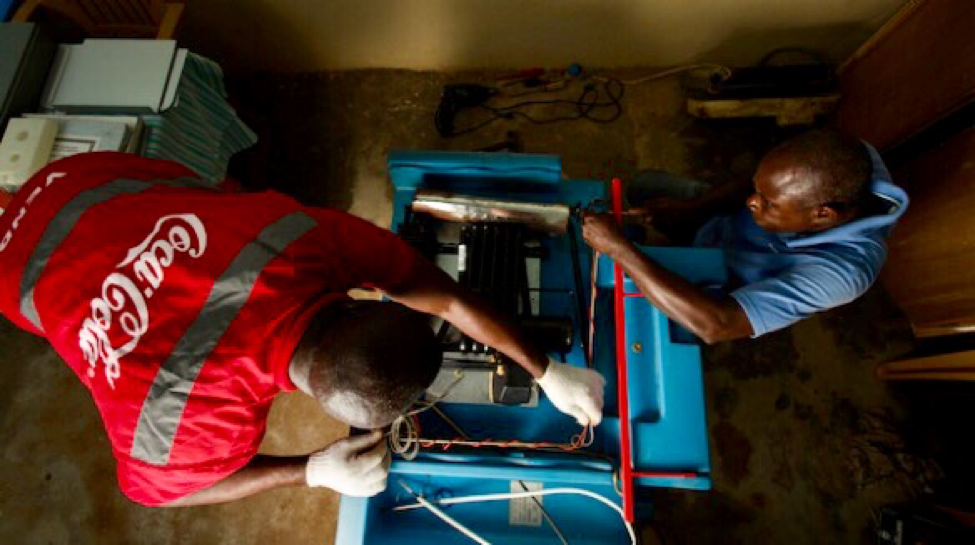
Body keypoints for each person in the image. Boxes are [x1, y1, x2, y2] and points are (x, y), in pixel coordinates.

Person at [0, 152, 605, 507]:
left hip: (83, 180)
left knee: (204, 196)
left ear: (362, 301)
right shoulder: (179, 419)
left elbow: (442, 297)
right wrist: (309, 469)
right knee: (54, 313)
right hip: (17, 267)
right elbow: (157, 492)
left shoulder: (302, 236)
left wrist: (546, 370)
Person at [582, 128, 909, 343]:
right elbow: (753, 186)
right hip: (722, 226)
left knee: (644, 325)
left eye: (769, 203)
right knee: (646, 186)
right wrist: (693, 208)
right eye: (757, 191)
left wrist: (620, 250)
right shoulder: (846, 156)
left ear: (822, 215)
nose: (752, 201)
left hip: (725, 280)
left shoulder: (844, 274)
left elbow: (717, 325)